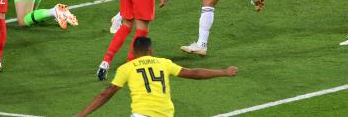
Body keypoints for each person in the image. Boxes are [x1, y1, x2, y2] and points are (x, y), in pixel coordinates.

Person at [79, 37, 237, 117]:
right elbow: (194, 73)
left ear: (134, 53)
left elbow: (106, 93)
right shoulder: (164, 63)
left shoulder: (126, 68)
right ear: (151, 51)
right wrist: (223, 71)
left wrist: (82, 114)